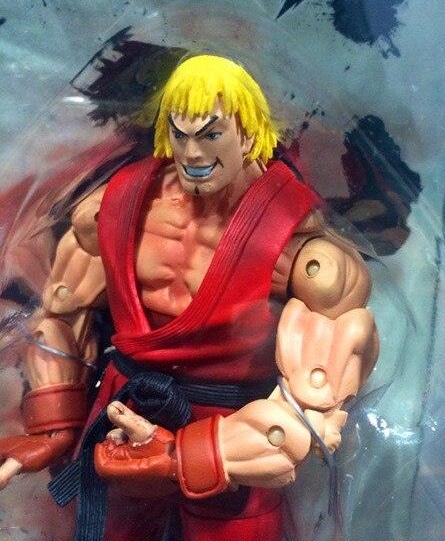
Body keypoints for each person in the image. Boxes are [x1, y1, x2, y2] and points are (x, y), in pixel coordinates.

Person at [0, 55, 378, 541]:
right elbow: (64, 314)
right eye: (181, 135)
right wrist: (54, 423)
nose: (194, 153)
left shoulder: (302, 252)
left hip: (232, 437)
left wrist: (183, 456)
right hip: (120, 418)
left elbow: (310, 417)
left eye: (211, 134)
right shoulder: (116, 208)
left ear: (248, 135)